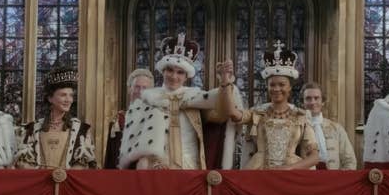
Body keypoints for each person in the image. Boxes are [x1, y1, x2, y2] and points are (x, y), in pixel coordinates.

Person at [117, 33, 239, 169]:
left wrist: (224, 83)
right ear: (162, 71)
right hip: (155, 170)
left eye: (180, 72)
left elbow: (221, 116)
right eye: (169, 70)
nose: (174, 76)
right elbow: (133, 146)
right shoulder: (148, 100)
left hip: (189, 168)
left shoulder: (196, 99)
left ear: (186, 76)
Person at [224, 40, 319, 170]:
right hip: (259, 171)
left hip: (291, 174)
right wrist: (226, 83)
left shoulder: (301, 115)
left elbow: (314, 157)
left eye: (281, 84)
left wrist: (289, 168)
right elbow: (232, 114)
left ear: (290, 87)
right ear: (267, 86)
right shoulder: (256, 113)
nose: (276, 89)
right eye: (272, 85)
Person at [16, 68, 97, 169]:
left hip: (68, 183)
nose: (69, 100)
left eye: (71, 95)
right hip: (40, 183)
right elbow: (23, 164)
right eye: (63, 95)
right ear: (50, 98)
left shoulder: (82, 130)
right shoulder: (31, 130)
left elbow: (86, 165)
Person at [104, 68, 154, 169]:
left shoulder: (158, 121)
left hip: (149, 180)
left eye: (145, 88)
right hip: (122, 180)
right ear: (129, 89)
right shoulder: (117, 122)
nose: (140, 92)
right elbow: (110, 162)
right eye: (137, 87)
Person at [301, 82, 357, 170]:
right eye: (308, 98)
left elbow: (349, 160)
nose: (312, 102)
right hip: (306, 178)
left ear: (323, 102)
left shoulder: (336, 128)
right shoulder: (297, 128)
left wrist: (340, 179)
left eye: (316, 98)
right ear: (302, 102)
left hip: (333, 179)